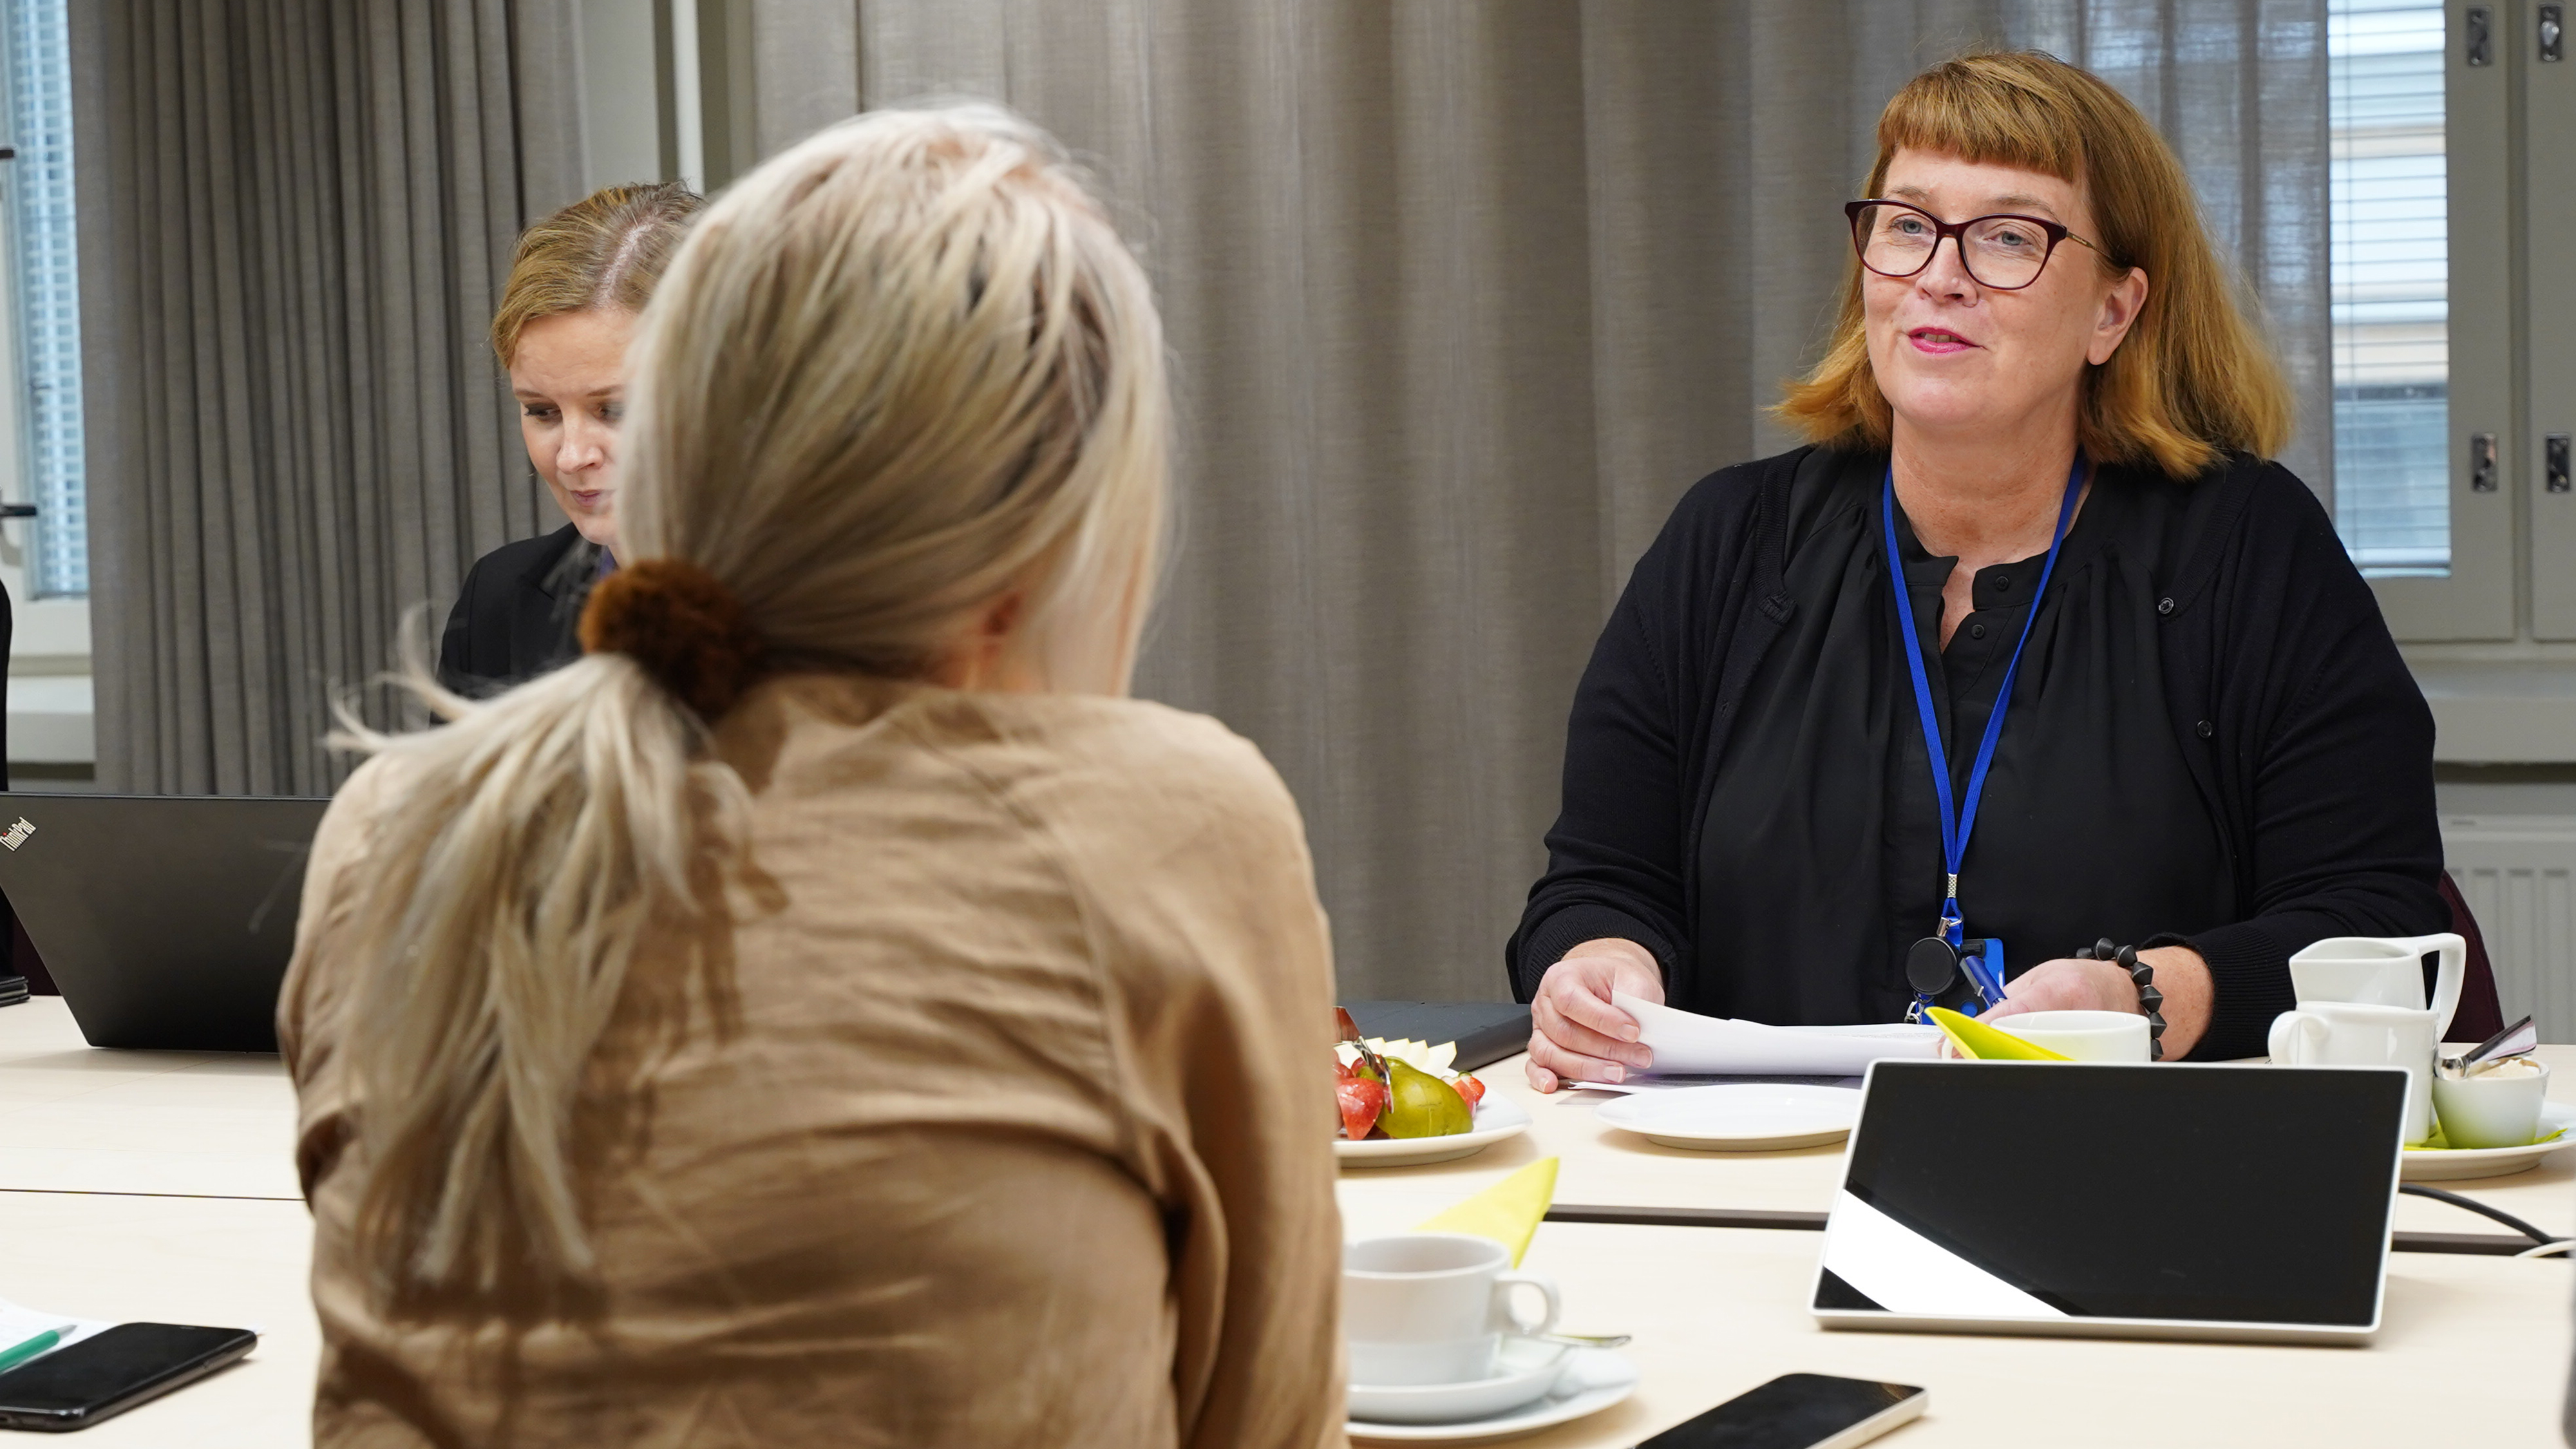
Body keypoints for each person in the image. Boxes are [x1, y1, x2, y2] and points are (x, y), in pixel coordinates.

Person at [281, 107, 1346, 1447]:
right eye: (544, 412)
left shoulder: (394, 818)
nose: (573, 445)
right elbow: (1265, 1422)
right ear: (1055, 512)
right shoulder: (1174, 821)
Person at [1509, 51, 2446, 1090]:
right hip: (1758, 1160)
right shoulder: (1729, 544)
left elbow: (2379, 926)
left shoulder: (2247, 549)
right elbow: (1599, 883)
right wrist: (1600, 965)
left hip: (2125, 1159)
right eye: (1908, 225)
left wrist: (2144, 996)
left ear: (2114, 312)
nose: (1940, 276)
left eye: (2008, 237)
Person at [436, 181, 702, 697]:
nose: (572, 456)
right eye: (542, 412)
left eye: (614, 410)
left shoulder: (847, 606)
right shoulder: (497, 600)